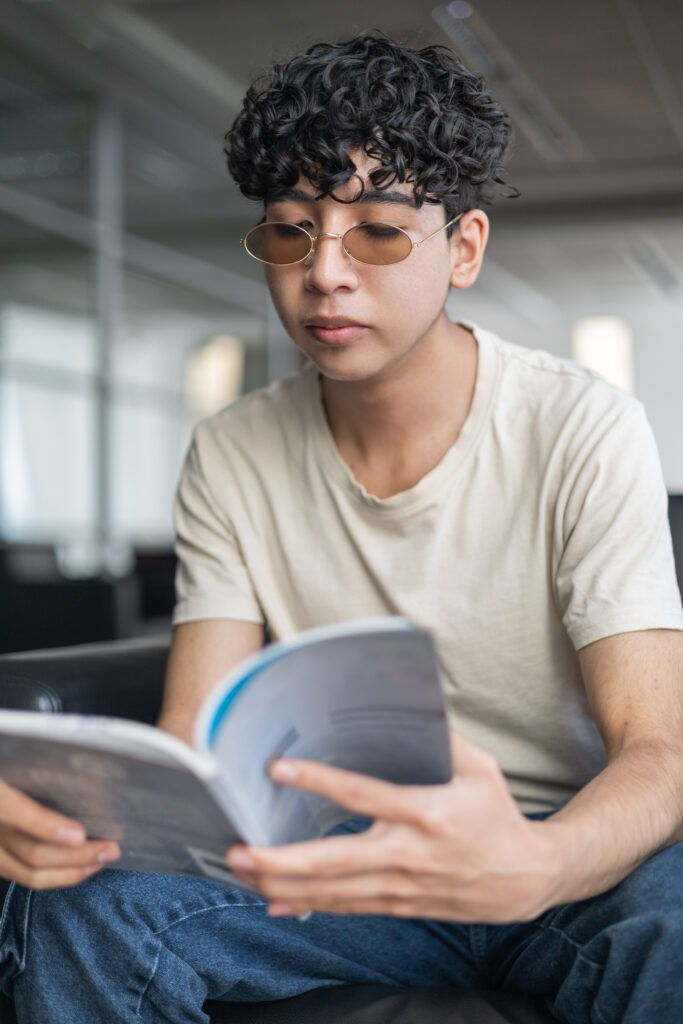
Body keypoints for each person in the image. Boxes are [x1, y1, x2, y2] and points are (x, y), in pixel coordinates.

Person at [1, 29, 683, 1024]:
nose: (324, 272)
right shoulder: (231, 450)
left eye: (375, 230)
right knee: (87, 905)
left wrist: (535, 865)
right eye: (290, 229)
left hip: (559, 846)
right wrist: (77, 815)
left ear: (462, 248)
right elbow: (192, 740)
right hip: (345, 853)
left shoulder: (579, 424)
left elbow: (658, 754)